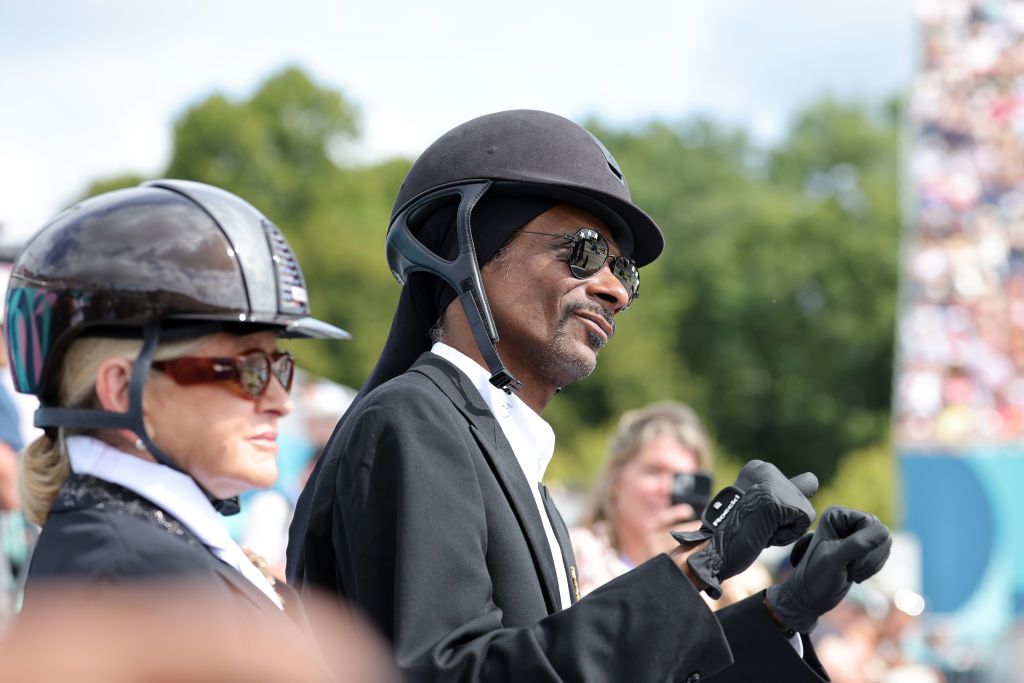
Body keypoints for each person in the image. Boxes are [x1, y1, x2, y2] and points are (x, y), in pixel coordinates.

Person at [287, 109, 893, 682]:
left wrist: (780, 613)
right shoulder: (412, 419)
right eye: (583, 251)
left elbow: (570, 668)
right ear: (465, 246)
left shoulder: (510, 466)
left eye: (624, 271)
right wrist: (702, 560)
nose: (616, 291)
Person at [4, 179, 363, 673]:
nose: (280, 402)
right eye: (247, 371)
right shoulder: (140, 582)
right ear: (121, 388)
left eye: (280, 368)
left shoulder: (139, 548)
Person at [570, 400, 769, 605]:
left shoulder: (702, 572)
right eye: (654, 471)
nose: (666, 490)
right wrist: (652, 574)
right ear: (615, 475)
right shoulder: (577, 552)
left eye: (682, 480)